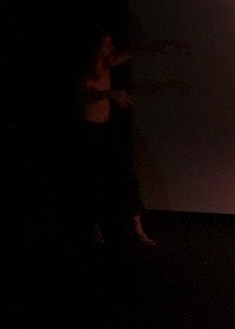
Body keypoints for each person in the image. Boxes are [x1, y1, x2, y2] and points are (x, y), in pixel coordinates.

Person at [74, 25, 182, 248]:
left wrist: (153, 48)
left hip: (106, 127)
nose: (111, 47)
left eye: (111, 43)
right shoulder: (84, 70)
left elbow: (128, 54)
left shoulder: (106, 63)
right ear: (95, 48)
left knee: (127, 177)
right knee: (94, 181)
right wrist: (110, 93)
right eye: (106, 44)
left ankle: (137, 228)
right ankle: (93, 227)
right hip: (89, 132)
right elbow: (85, 96)